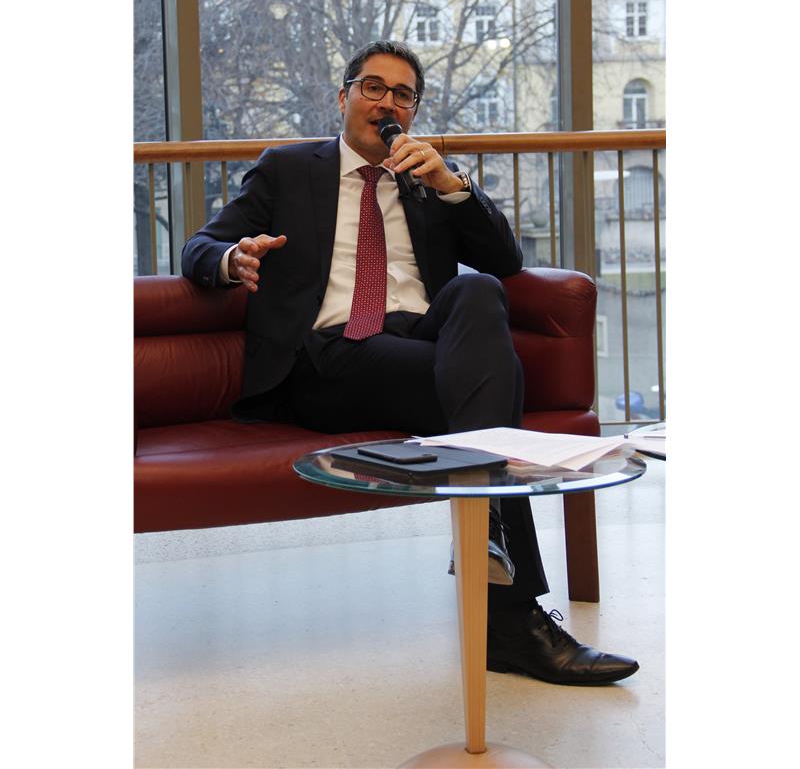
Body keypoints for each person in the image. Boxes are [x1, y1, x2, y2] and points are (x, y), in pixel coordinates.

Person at [182, 40, 638, 686]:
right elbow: (200, 245)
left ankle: (490, 548)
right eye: (373, 88)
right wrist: (233, 259)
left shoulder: (425, 179)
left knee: (480, 292)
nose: (387, 103)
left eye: (403, 95)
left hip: (421, 341)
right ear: (343, 97)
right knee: (493, 385)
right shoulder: (289, 168)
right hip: (328, 355)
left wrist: (453, 187)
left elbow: (505, 261)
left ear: (413, 111)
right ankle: (510, 617)